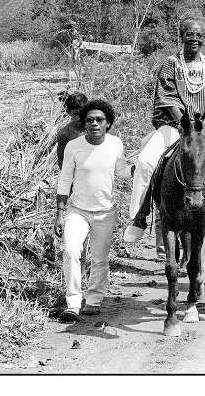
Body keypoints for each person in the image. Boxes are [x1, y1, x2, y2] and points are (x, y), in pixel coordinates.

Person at [122, 17, 205, 252]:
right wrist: (185, 124)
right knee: (145, 162)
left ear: (204, 38)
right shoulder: (170, 64)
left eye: (199, 35)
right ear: (181, 36)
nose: (194, 38)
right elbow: (166, 97)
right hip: (173, 125)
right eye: (190, 34)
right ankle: (138, 218)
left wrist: (203, 126)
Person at [54, 99, 132, 323]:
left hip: (105, 213)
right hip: (77, 211)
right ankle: (73, 303)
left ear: (108, 123)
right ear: (83, 123)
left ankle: (94, 300)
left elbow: (122, 170)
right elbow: (64, 179)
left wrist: (140, 169)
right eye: (90, 120)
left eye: (99, 120)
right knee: (71, 251)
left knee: (99, 258)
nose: (94, 124)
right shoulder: (74, 146)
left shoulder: (115, 144)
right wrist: (60, 213)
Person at [55, 91, 88, 171]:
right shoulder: (64, 134)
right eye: (75, 114)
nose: (79, 117)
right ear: (68, 112)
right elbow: (61, 160)